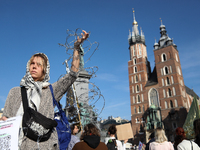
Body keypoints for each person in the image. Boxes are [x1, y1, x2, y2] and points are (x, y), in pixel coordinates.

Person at [0, 30, 89, 149]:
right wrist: (5, 121)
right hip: (19, 145)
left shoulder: (50, 90)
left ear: (45, 69)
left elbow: (72, 75)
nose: (34, 66)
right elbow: (6, 117)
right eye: (32, 63)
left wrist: (76, 47)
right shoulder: (15, 92)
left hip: (43, 146)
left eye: (39, 64)